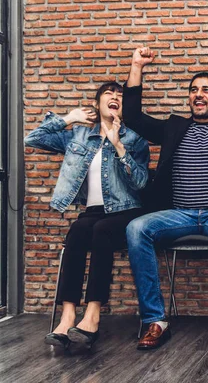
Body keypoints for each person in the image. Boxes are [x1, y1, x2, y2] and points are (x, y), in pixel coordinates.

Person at [123, 47, 208, 351]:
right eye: (194, 90)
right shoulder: (174, 127)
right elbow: (131, 116)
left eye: (207, 90)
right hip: (179, 214)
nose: (199, 94)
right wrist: (136, 66)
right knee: (136, 228)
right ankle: (155, 321)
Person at [25, 82, 149, 349]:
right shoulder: (78, 135)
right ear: (97, 103)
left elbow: (141, 183)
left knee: (101, 230)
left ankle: (92, 315)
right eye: (108, 93)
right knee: (78, 230)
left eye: (119, 95)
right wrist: (69, 118)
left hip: (126, 211)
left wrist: (119, 146)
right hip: (93, 212)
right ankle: (68, 315)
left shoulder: (134, 139)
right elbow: (32, 138)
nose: (115, 97)